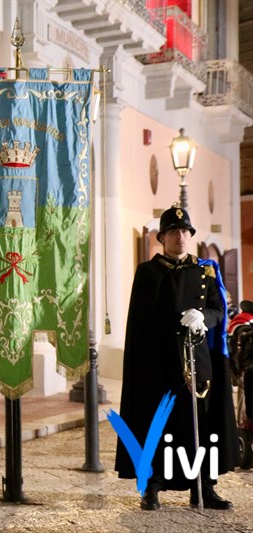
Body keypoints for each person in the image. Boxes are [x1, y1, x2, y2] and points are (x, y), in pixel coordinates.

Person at [115, 204, 237, 511]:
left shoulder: (205, 271)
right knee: (158, 426)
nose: (180, 237)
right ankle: (152, 487)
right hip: (159, 364)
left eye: (185, 231)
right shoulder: (148, 272)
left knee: (201, 427)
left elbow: (218, 310)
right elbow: (139, 323)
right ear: (162, 238)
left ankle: (203, 488)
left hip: (197, 362)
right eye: (173, 232)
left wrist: (203, 317)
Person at [228, 300, 253, 431]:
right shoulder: (245, 323)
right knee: (244, 398)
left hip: (239, 364)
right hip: (242, 364)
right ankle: (241, 426)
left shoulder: (238, 320)